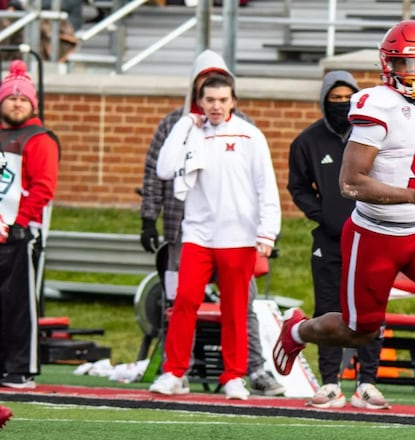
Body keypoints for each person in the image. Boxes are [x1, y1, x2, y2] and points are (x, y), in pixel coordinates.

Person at [272, 20, 415, 438]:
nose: (413, 72)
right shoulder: (375, 104)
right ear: (387, 64)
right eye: (404, 63)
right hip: (374, 234)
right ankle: (297, 329)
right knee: (358, 332)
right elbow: (351, 182)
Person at [139, 49, 285, 397]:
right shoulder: (190, 130)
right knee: (184, 301)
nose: (216, 106)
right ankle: (175, 372)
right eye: (209, 100)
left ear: (233, 100)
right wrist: (186, 123)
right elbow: (163, 168)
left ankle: (234, 375)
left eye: (222, 99)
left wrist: (267, 232)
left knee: (235, 309)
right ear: (199, 100)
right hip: (198, 235)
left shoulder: (250, 135)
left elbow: (266, 185)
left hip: (239, 237)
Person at [287, 70, 390, 410]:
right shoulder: (307, 141)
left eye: (348, 98)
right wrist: (324, 215)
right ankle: (330, 383)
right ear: (324, 101)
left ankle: (367, 384)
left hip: (372, 235)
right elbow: (298, 186)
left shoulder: (373, 136)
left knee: (371, 308)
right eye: (335, 98)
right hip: (330, 240)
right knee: (328, 307)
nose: (342, 104)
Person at [0, 60, 60, 391]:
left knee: (19, 304)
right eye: (11, 98)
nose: (17, 103)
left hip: (22, 233)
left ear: (33, 103)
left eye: (23, 98)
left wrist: (19, 222)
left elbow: (43, 188)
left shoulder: (39, 139)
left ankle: (21, 368)